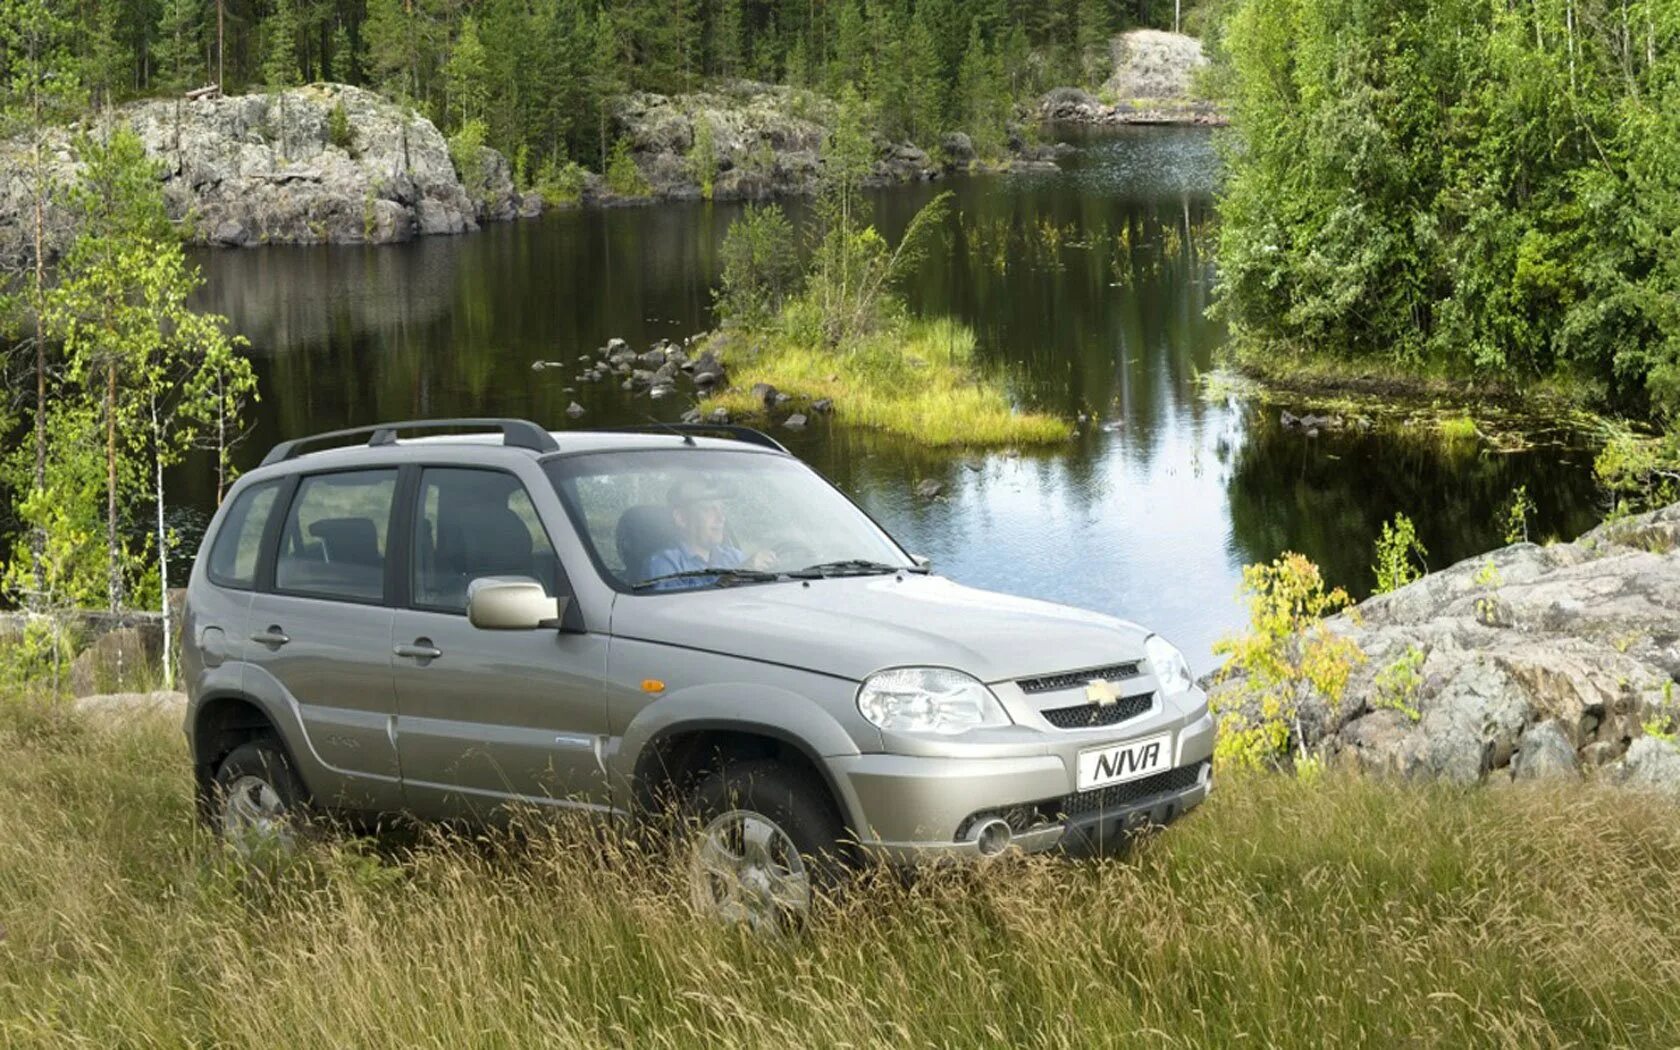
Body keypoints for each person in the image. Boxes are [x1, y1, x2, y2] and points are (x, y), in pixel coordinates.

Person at [642, 479, 775, 586]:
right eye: (708, 509)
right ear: (681, 518)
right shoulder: (665, 565)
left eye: (721, 508)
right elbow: (682, 613)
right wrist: (738, 575)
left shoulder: (732, 557)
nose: (721, 518)